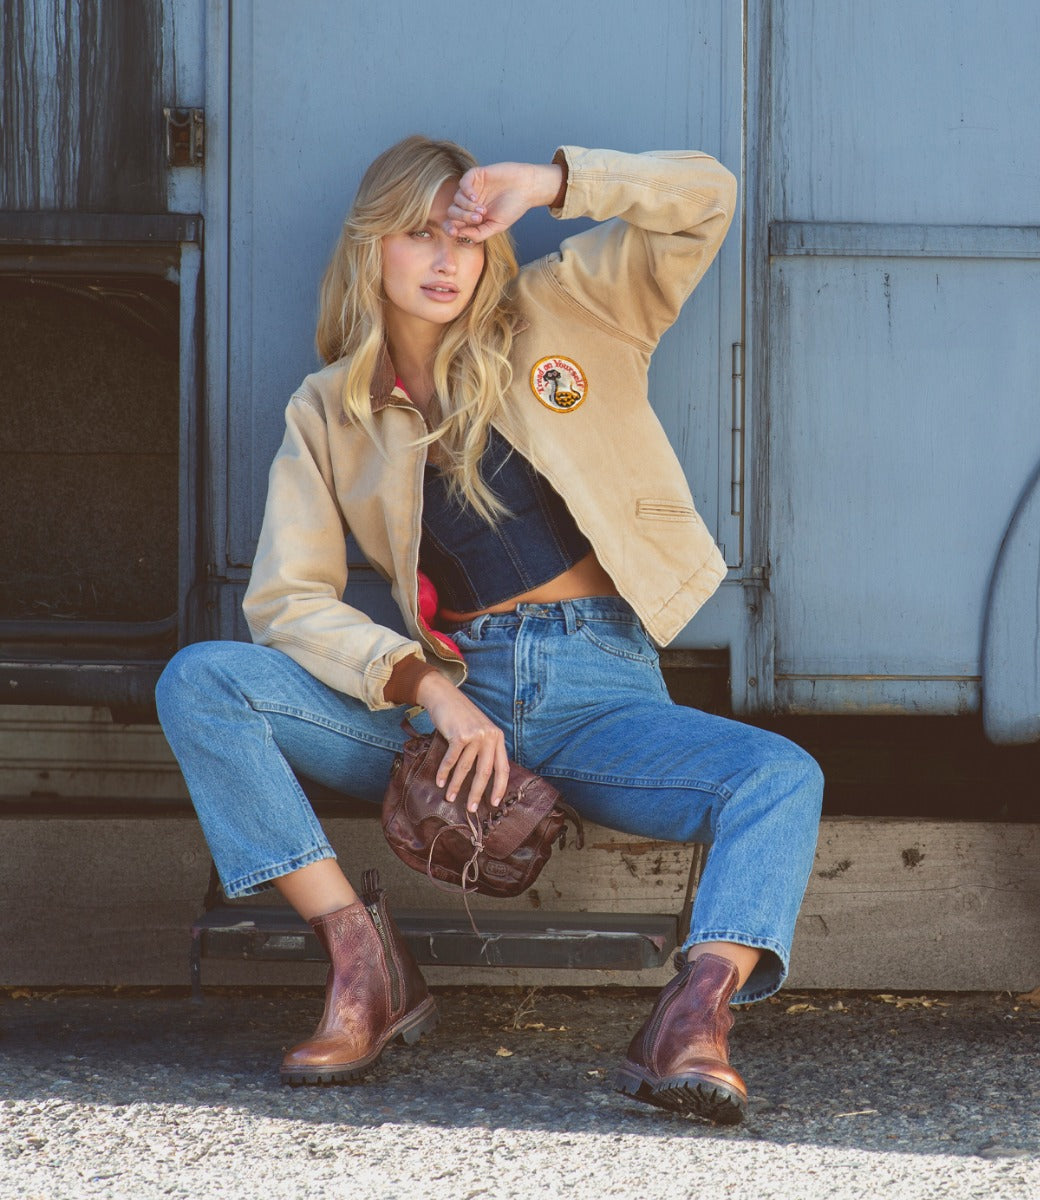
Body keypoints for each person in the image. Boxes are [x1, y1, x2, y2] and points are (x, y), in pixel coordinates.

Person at [156, 135, 823, 1125]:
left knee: (776, 776)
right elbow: (287, 601)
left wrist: (547, 184)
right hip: (448, 705)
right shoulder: (329, 407)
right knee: (203, 681)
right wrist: (427, 690)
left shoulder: (571, 308)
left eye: (462, 238)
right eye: (417, 236)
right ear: (368, 247)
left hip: (601, 690)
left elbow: (705, 199)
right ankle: (362, 969)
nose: (442, 261)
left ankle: (690, 1020)